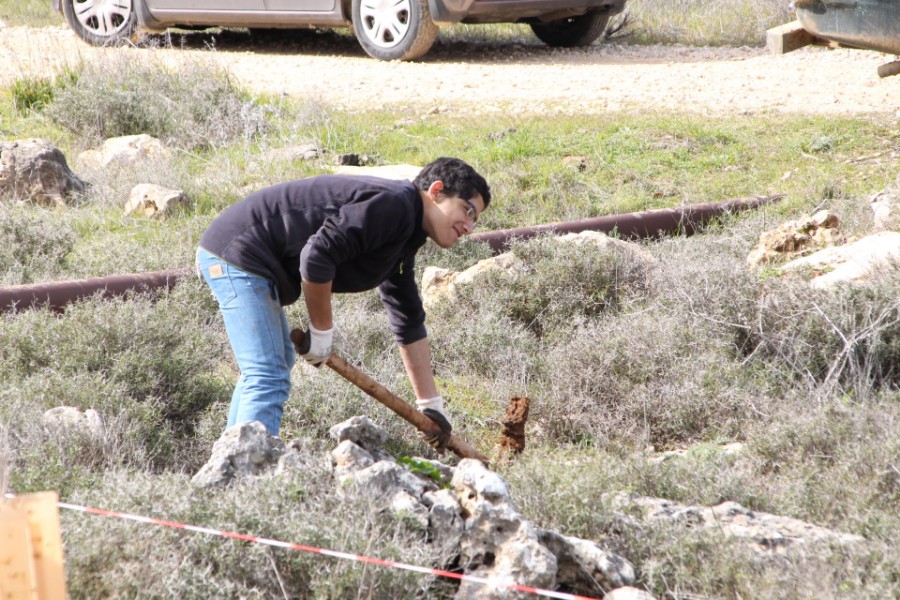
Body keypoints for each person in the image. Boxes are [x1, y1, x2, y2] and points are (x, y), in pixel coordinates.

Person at [196, 157, 491, 449]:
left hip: (240, 255)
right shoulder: (396, 206)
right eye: (468, 211)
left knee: (271, 366)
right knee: (267, 372)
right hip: (238, 253)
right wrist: (322, 332)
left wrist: (431, 405)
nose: (469, 227)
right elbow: (316, 256)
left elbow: (407, 319)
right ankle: (245, 476)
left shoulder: (406, 233)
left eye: (475, 220)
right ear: (436, 191)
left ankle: (231, 461)